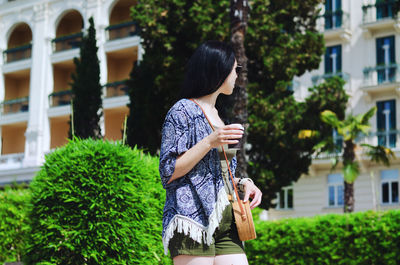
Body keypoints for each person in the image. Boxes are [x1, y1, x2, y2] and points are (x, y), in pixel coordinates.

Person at [159, 40, 262, 265]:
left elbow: (218, 174)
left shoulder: (219, 116)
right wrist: (210, 141)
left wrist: (245, 183)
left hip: (226, 216)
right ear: (220, 69)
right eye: (235, 69)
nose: (237, 75)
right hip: (191, 218)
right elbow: (168, 171)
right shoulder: (182, 111)